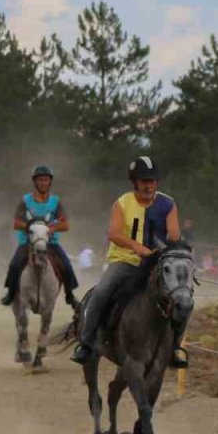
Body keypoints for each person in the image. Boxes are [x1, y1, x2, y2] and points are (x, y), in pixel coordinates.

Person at [71, 156, 187, 368]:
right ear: (134, 182)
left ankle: (175, 348)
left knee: (184, 298)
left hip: (158, 264)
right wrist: (137, 247)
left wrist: (173, 240)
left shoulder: (168, 204)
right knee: (101, 292)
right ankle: (86, 342)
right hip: (125, 261)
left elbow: (173, 234)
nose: (148, 185)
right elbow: (113, 233)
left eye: (151, 180)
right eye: (143, 181)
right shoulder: (122, 203)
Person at [0, 165, 81, 309]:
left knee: (67, 266)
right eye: (40, 180)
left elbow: (66, 225)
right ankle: (11, 294)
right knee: (14, 265)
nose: (43, 183)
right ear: (35, 182)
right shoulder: (25, 201)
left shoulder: (56, 202)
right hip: (28, 242)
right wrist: (31, 227)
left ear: (50, 182)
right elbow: (16, 223)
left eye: (46, 180)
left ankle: (70, 296)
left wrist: (52, 228)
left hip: (50, 243)